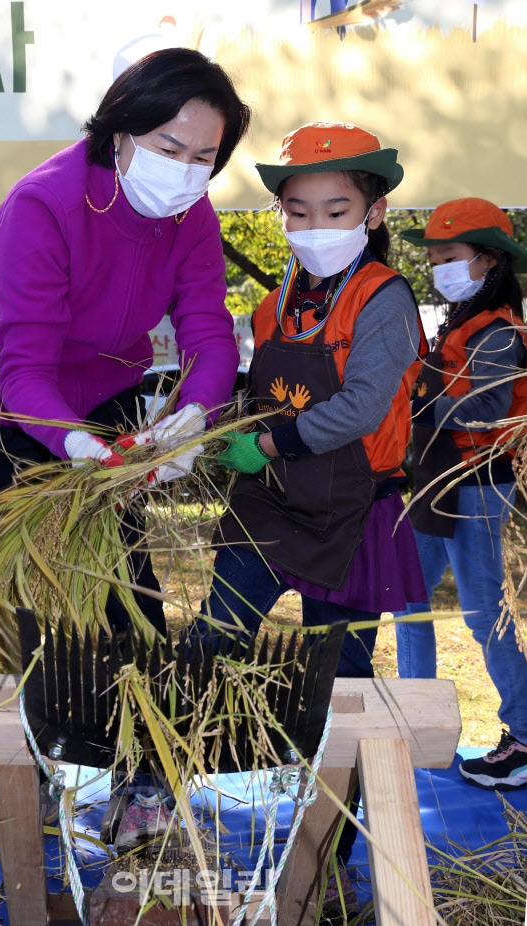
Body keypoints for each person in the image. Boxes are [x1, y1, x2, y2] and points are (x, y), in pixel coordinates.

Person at [0, 46, 250, 839]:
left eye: (204, 158)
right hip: (2, 413)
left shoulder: (190, 212)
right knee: (12, 599)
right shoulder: (45, 204)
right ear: (120, 131)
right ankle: (30, 773)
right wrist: (73, 447)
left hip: (102, 401)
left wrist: (195, 413)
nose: (185, 170)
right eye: (169, 148)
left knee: (127, 596)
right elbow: (25, 366)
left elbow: (209, 330)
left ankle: (142, 777)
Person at [190, 122, 429, 908]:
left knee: (346, 690)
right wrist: (207, 429)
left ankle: (330, 851)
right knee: (208, 644)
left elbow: (364, 405)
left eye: (336, 209)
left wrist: (275, 441)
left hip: (355, 513)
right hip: (269, 506)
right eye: (299, 210)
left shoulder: (385, 298)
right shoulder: (273, 303)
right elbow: (253, 395)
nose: (315, 227)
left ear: (375, 211)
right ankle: (162, 807)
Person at [395, 198, 527, 791]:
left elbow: (489, 408)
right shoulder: (458, 319)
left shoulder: (498, 330)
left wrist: (413, 402)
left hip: (475, 484)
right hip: (435, 479)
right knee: (409, 601)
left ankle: (523, 735)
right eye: (433, 258)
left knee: (483, 615)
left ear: (489, 260)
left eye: (449, 257)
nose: (437, 268)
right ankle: (416, 725)